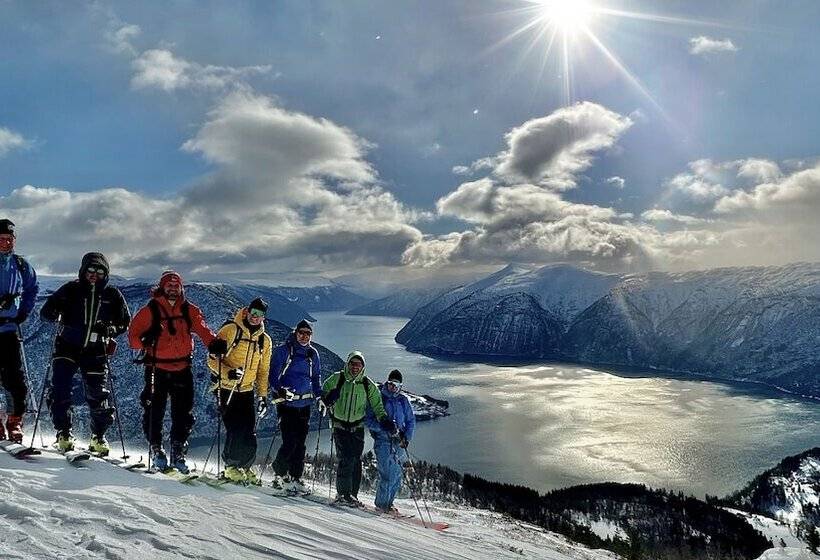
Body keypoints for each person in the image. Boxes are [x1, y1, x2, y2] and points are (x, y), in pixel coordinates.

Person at [128, 270, 226, 472]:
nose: (173, 288)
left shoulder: (189, 310)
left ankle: (178, 449)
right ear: (162, 287)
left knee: (183, 413)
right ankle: (156, 448)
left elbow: (202, 329)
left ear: (181, 288)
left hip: (183, 367)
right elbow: (133, 339)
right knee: (154, 411)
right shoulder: (150, 310)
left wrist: (214, 343)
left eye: (176, 285)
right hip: (157, 368)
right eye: (169, 285)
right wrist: (146, 339)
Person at [39, 252, 130, 454]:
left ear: (105, 274)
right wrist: (54, 313)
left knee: (98, 394)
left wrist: (111, 329)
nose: (94, 275)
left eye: (99, 271)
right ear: (83, 271)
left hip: (96, 350)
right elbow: (46, 312)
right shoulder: (70, 290)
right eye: (91, 270)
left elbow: (124, 322)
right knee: (61, 389)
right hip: (67, 346)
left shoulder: (112, 295)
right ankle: (63, 433)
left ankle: (98, 436)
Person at [207, 298, 271, 484]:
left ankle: (245, 466)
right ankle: (231, 467)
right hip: (227, 388)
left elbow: (263, 371)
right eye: (253, 313)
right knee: (234, 428)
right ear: (247, 311)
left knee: (249, 430)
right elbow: (212, 360)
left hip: (247, 390)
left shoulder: (264, 340)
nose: (255, 317)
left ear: (263, 317)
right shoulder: (230, 330)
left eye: (259, 315)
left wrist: (263, 396)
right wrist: (229, 373)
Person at [320, 351, 395, 506]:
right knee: (346, 458)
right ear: (348, 364)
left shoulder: (368, 384)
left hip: (357, 427)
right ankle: (343, 494)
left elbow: (377, 406)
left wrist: (384, 420)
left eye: (358, 364)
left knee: (356, 461)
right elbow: (322, 394)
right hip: (339, 426)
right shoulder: (337, 378)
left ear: (363, 366)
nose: (355, 367)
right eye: (352, 363)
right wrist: (326, 398)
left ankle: (352, 495)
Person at [269, 319, 322, 493]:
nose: (305, 336)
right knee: (290, 441)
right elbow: (273, 376)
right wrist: (280, 390)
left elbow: (316, 378)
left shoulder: (313, 354)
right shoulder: (283, 351)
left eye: (308, 333)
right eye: (301, 333)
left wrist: (320, 395)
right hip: (287, 404)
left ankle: (296, 476)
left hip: (305, 404)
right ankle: (279, 473)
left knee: (301, 444)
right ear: (295, 333)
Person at [0, 219, 39, 443]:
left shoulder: (21, 265)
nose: (6, 243)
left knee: (15, 378)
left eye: (9, 239)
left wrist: (23, 311)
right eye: (2, 239)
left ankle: (14, 421)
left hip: (9, 327)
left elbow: (32, 288)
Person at [365, 369, 416, 514]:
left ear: (400, 386)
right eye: (390, 383)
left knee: (397, 474)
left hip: (399, 442)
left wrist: (407, 437)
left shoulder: (403, 400)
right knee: (387, 474)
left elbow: (411, 420)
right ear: (387, 382)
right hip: (383, 441)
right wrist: (383, 426)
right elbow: (368, 420)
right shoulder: (379, 398)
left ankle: (389, 503)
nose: (392, 387)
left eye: (396, 384)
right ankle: (382, 504)